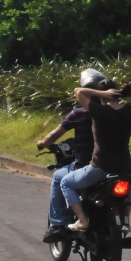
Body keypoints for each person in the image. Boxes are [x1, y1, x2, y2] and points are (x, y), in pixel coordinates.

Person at [59, 69, 131, 232]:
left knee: (65, 182)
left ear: (103, 95)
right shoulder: (130, 112)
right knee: (129, 185)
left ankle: (82, 220)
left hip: (100, 167)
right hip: (125, 168)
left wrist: (102, 93)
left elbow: (79, 91)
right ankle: (125, 220)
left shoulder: (99, 111)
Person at [36, 103, 93, 243]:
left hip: (87, 166)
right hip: (117, 168)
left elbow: (54, 135)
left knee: (59, 177)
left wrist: (43, 143)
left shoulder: (79, 113)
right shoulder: (118, 112)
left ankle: (59, 223)